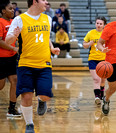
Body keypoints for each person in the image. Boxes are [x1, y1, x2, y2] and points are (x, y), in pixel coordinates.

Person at [5, 0, 60, 132]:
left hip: (44, 64)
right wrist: (15, 35)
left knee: (46, 94)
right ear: (34, 2)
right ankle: (29, 124)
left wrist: (52, 48)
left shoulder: (47, 18)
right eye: (43, 0)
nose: (46, 2)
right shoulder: (19, 20)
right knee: (27, 95)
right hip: (25, 63)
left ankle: (42, 100)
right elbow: (8, 40)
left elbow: (45, 37)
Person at [0, 0, 21, 117]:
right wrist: (13, 49)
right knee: (1, 85)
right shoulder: (0, 22)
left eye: (13, 8)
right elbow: (0, 41)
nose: (13, 10)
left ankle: (11, 109)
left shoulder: (14, 22)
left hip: (12, 58)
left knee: (15, 80)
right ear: (3, 11)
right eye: (10, 8)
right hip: (1, 59)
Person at [83, 16, 107, 106]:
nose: (98, 25)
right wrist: (89, 44)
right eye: (97, 23)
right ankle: (97, 97)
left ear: (104, 25)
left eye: (100, 23)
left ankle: (101, 95)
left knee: (103, 80)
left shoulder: (106, 33)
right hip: (93, 59)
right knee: (96, 79)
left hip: (104, 59)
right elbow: (84, 45)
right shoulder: (91, 33)